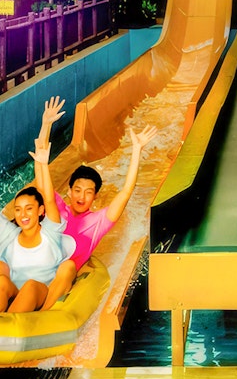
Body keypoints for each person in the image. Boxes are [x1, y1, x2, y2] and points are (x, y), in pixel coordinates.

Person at [33, 96, 159, 310]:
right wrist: (45, 126)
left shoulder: (98, 221)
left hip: (64, 275)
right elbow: (40, 165)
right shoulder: (57, 208)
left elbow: (126, 191)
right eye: (78, 190)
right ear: (69, 191)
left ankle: (41, 316)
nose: (82, 197)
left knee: (67, 267)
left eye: (88, 192)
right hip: (40, 268)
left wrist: (137, 150)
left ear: (96, 197)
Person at [0, 144, 74, 313]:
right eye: (18, 209)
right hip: (15, 295)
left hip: (41, 294)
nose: (23, 214)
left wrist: (43, 166)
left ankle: (20, 323)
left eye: (29, 208)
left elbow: (49, 199)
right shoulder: (10, 235)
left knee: (32, 285)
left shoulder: (50, 232)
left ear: (40, 211)